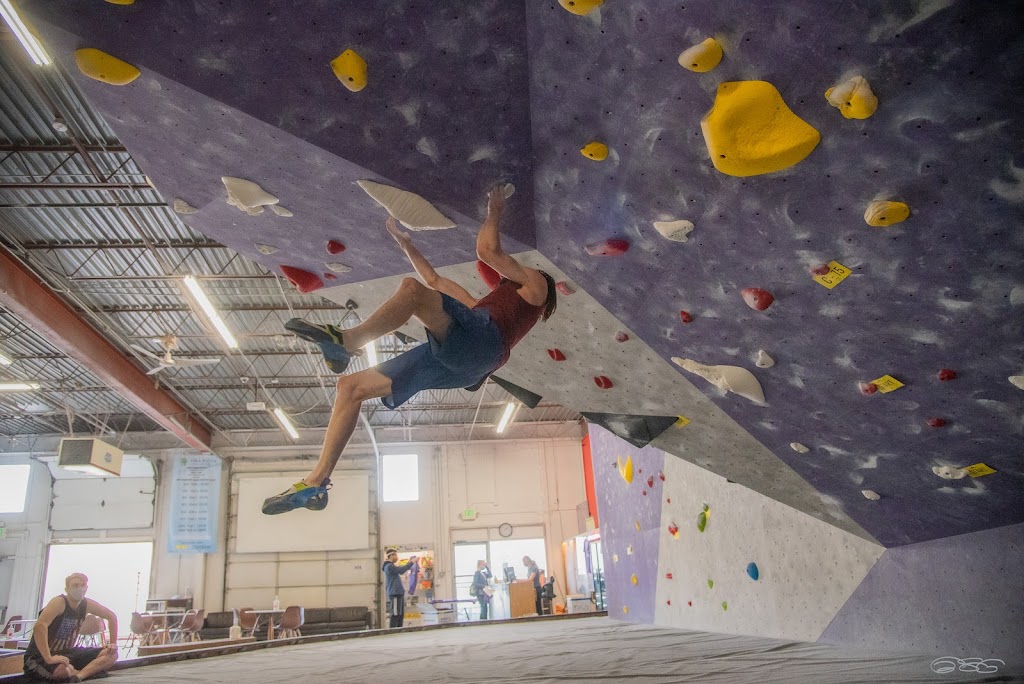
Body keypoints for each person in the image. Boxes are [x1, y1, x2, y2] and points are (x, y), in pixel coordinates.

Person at [263, 187, 558, 515]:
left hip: (485, 343)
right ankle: (316, 481)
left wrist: (495, 209)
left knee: (410, 290)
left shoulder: (538, 285)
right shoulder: (486, 306)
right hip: (468, 358)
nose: (510, 273)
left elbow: (487, 250)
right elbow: (434, 279)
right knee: (350, 388)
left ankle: (347, 342)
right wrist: (407, 245)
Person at [23, 573, 118, 682]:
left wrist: (113, 643)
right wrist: (49, 658)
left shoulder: (86, 604)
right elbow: (40, 626)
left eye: (83, 585)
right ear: (67, 589)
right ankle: (85, 672)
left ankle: (78, 676)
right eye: (75, 585)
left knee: (111, 654)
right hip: (39, 657)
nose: (79, 589)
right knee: (63, 671)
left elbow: (111, 616)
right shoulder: (59, 602)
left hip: (67, 653)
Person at [382, 548, 417, 628]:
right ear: (391, 555)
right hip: (395, 594)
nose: (397, 557)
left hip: (398, 594)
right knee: (395, 614)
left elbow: (400, 569)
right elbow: (401, 570)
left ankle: (399, 631)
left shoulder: (391, 566)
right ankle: (393, 633)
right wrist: (412, 562)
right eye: (396, 555)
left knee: (400, 615)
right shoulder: (389, 567)